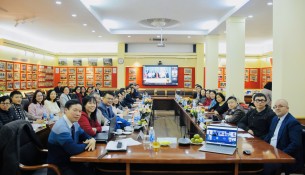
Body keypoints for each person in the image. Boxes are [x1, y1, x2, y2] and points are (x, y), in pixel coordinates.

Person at [47, 100, 96, 175]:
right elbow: (73, 149)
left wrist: (92, 139)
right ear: (66, 110)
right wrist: (88, 143)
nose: (78, 114)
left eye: (80, 111)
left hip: (71, 160)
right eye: (75, 110)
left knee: (92, 170)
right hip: (60, 165)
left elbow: (84, 135)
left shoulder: (75, 123)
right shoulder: (61, 126)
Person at [263, 99, 303, 175]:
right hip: (271, 151)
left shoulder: (292, 122)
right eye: (275, 106)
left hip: (282, 154)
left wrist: (281, 154)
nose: (277, 108)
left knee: (265, 167)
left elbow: (296, 143)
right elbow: (270, 135)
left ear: (287, 108)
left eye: (280, 106)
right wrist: (262, 145)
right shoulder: (275, 119)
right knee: (253, 162)